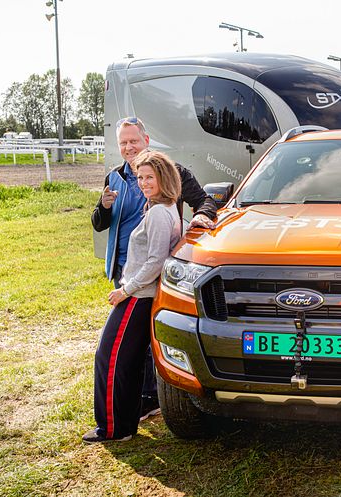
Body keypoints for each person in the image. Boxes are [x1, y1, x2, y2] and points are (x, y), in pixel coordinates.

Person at [91, 117, 216, 422]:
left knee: (146, 339)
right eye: (123, 143)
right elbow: (98, 224)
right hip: (125, 264)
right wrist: (103, 207)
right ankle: (137, 400)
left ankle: (150, 399)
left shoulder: (171, 172)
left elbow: (205, 202)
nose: (128, 147)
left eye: (134, 141)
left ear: (146, 140)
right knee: (131, 341)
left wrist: (199, 219)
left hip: (148, 269)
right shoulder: (115, 177)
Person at [83, 150, 184, 443]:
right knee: (125, 360)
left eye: (149, 177)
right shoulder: (166, 210)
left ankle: (112, 429)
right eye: (140, 177)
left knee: (110, 358)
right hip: (140, 295)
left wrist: (124, 290)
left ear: (163, 178)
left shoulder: (158, 214)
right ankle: (124, 425)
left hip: (138, 297)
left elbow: (155, 261)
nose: (142, 182)